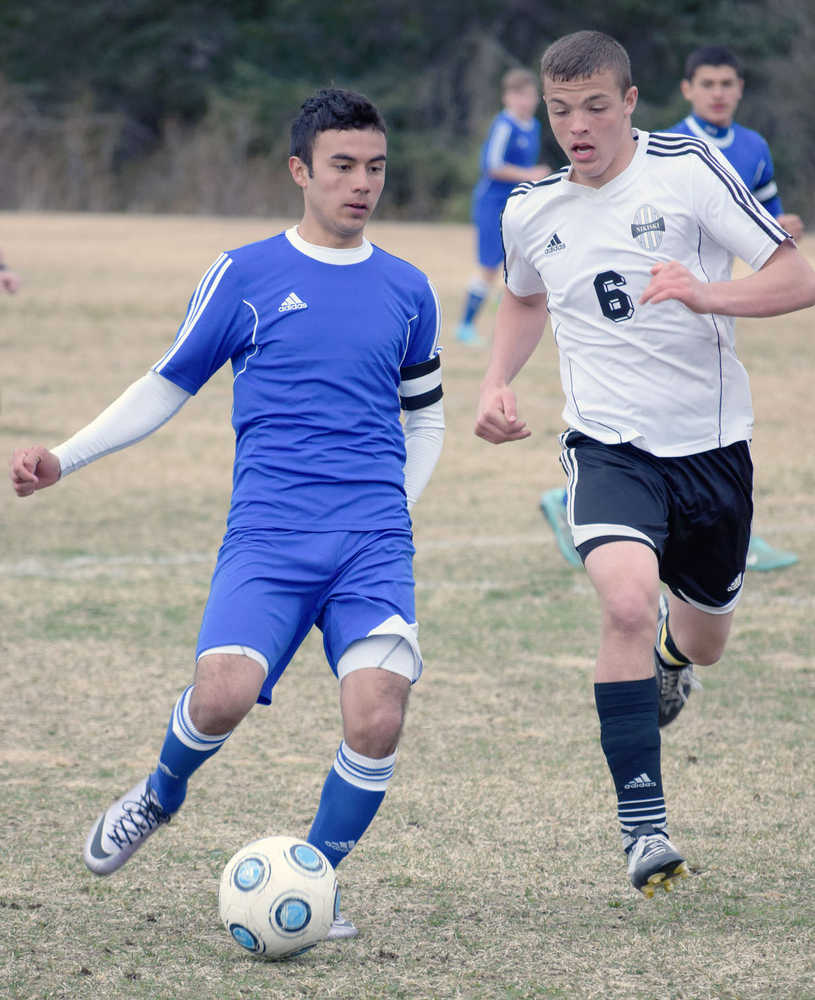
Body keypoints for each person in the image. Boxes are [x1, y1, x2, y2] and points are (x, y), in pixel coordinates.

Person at [9, 88, 445, 941]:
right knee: (222, 696)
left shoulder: (408, 287)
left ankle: (313, 881)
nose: (362, 184)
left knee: (379, 711)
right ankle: (158, 795)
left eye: (375, 168)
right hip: (271, 536)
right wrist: (64, 457)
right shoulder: (245, 276)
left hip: (371, 542)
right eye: (343, 167)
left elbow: (423, 412)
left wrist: (399, 506)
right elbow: (164, 384)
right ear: (300, 172)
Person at [475, 31, 815, 897]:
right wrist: (495, 380)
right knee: (624, 601)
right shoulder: (532, 210)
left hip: (712, 454)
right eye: (560, 112)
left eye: (594, 107)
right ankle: (642, 826)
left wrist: (709, 291)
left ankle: (671, 657)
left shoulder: (688, 168)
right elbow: (520, 298)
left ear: (629, 101)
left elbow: (795, 273)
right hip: (608, 447)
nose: (576, 127)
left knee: (702, 643)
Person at [540, 43, 804, 573]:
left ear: (740, 90)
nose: (718, 94)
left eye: (727, 84)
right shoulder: (671, 149)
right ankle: (582, 497)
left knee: (701, 411)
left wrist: (774, 238)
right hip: (646, 307)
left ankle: (726, 536)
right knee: (640, 421)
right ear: (687, 90)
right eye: (707, 84)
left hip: (710, 304)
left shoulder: (753, 146)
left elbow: (772, 229)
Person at [456, 67, 551, 345]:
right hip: (491, 205)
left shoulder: (533, 126)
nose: (526, 101)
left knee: (524, 258)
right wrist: (530, 174)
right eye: (519, 95)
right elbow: (492, 166)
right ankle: (465, 326)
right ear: (507, 98)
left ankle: (509, 307)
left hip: (517, 206)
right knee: (488, 268)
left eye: (530, 95)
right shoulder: (504, 125)